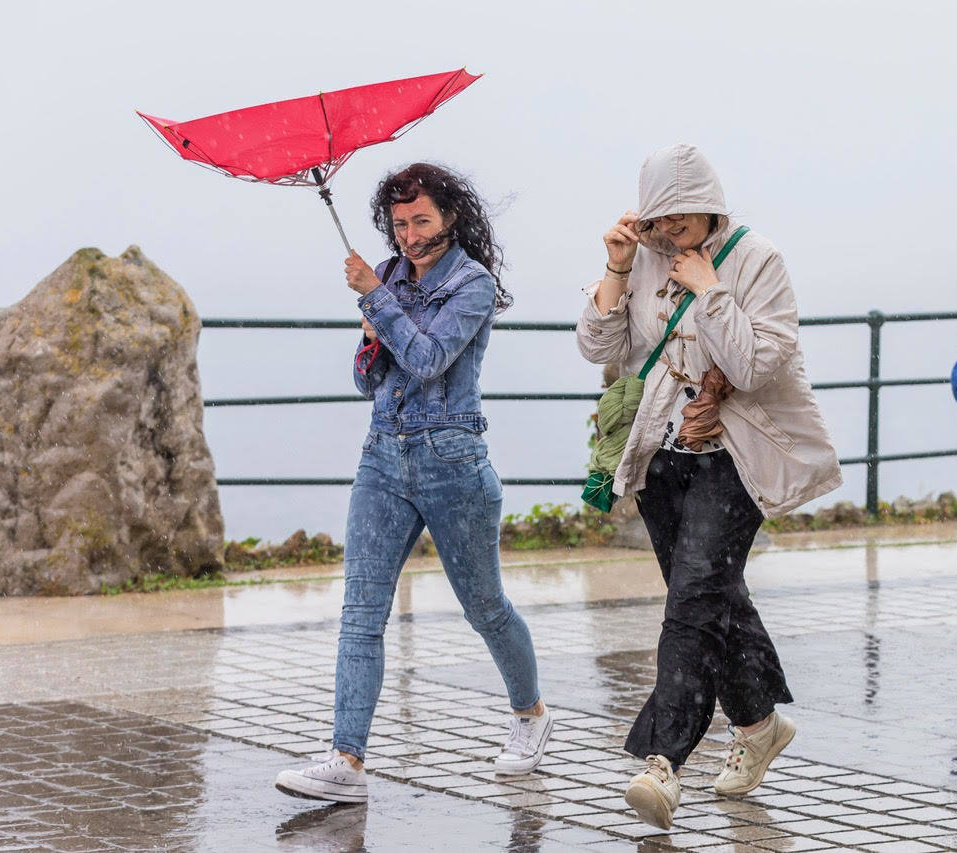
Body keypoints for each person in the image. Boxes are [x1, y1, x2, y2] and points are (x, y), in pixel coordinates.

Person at [576, 143, 842, 829]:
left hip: (737, 454)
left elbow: (754, 364)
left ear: (707, 206)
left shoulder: (758, 260)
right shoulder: (645, 259)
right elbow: (601, 350)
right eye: (656, 223)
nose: (667, 235)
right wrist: (617, 266)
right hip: (665, 452)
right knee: (711, 595)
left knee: (694, 597)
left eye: (678, 221)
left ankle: (663, 765)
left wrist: (711, 292)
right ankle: (758, 726)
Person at [275, 163, 552, 803]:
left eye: (421, 221)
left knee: (484, 607)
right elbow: (368, 382)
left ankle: (531, 715)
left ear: (450, 218)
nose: (409, 236)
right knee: (361, 610)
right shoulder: (392, 276)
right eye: (399, 224)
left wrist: (377, 300)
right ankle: (347, 761)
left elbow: (429, 362)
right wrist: (371, 334)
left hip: (452, 460)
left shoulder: (472, 284)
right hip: (382, 457)